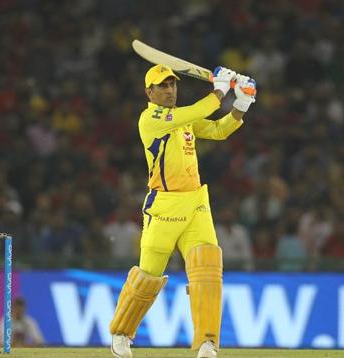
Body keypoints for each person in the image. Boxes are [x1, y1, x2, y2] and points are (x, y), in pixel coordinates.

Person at [108, 64, 256, 358]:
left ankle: (207, 342)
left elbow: (218, 129)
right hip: (163, 205)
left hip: (196, 202)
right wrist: (221, 89)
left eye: (173, 85)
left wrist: (242, 102)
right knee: (148, 276)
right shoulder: (150, 118)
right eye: (162, 86)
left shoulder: (184, 119)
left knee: (208, 268)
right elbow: (197, 111)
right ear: (149, 92)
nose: (169, 90)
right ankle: (121, 334)